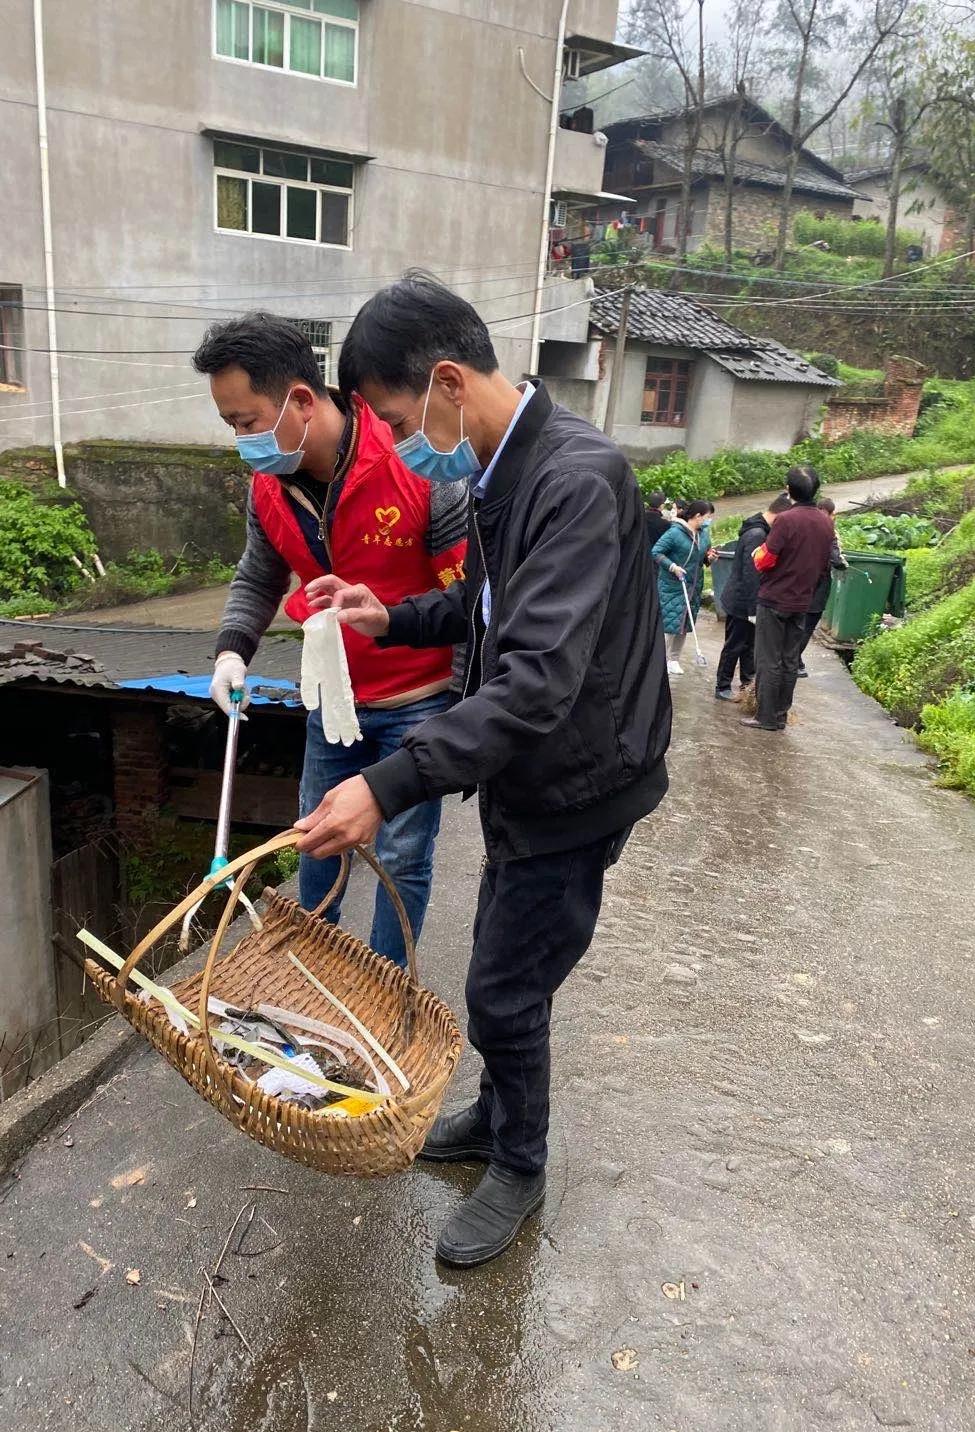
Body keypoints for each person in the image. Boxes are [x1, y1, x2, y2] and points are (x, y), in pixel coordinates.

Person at [293, 273, 671, 1268]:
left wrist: (386, 783)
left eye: (393, 414)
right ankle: (498, 1118)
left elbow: (540, 679)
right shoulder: (504, 472)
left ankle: (520, 1162)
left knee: (505, 985)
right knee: (513, 955)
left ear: (448, 382)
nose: (393, 437)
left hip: (580, 776)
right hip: (530, 770)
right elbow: (490, 613)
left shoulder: (573, 480)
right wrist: (393, 612)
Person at [191, 314, 468, 969]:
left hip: (420, 700)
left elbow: (467, 598)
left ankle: (385, 990)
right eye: (230, 424)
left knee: (401, 855)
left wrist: (459, 709)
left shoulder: (412, 458)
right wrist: (232, 651)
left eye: (248, 420)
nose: (242, 440)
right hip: (334, 697)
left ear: (302, 400)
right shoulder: (269, 488)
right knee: (315, 840)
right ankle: (312, 980)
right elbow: (260, 574)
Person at [744, 464, 834, 732]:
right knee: (789, 659)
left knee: (768, 660)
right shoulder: (825, 523)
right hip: (803, 600)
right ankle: (781, 715)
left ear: (788, 489)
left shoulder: (786, 520)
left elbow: (765, 559)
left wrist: (756, 554)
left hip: (775, 599)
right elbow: (823, 564)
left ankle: (766, 717)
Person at [714, 493, 792, 701]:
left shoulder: (759, 529)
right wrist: (751, 610)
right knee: (735, 645)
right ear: (779, 516)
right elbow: (751, 575)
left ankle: (747, 683)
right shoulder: (757, 534)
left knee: (749, 646)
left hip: (747, 600)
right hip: (742, 600)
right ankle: (722, 685)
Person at [651, 500, 715, 675]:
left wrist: (709, 557)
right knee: (669, 624)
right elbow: (656, 552)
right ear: (697, 516)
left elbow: (703, 556)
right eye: (708, 517)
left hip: (693, 586)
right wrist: (672, 567)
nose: (709, 520)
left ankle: (673, 659)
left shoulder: (703, 535)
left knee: (685, 625)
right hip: (673, 585)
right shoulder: (674, 533)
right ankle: (657, 660)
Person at [798, 496, 847, 677]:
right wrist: (843, 564)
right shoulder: (828, 530)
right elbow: (835, 559)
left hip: (798, 582)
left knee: (796, 623)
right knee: (808, 625)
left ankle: (792, 659)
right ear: (829, 513)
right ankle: (794, 660)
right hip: (817, 585)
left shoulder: (803, 525)